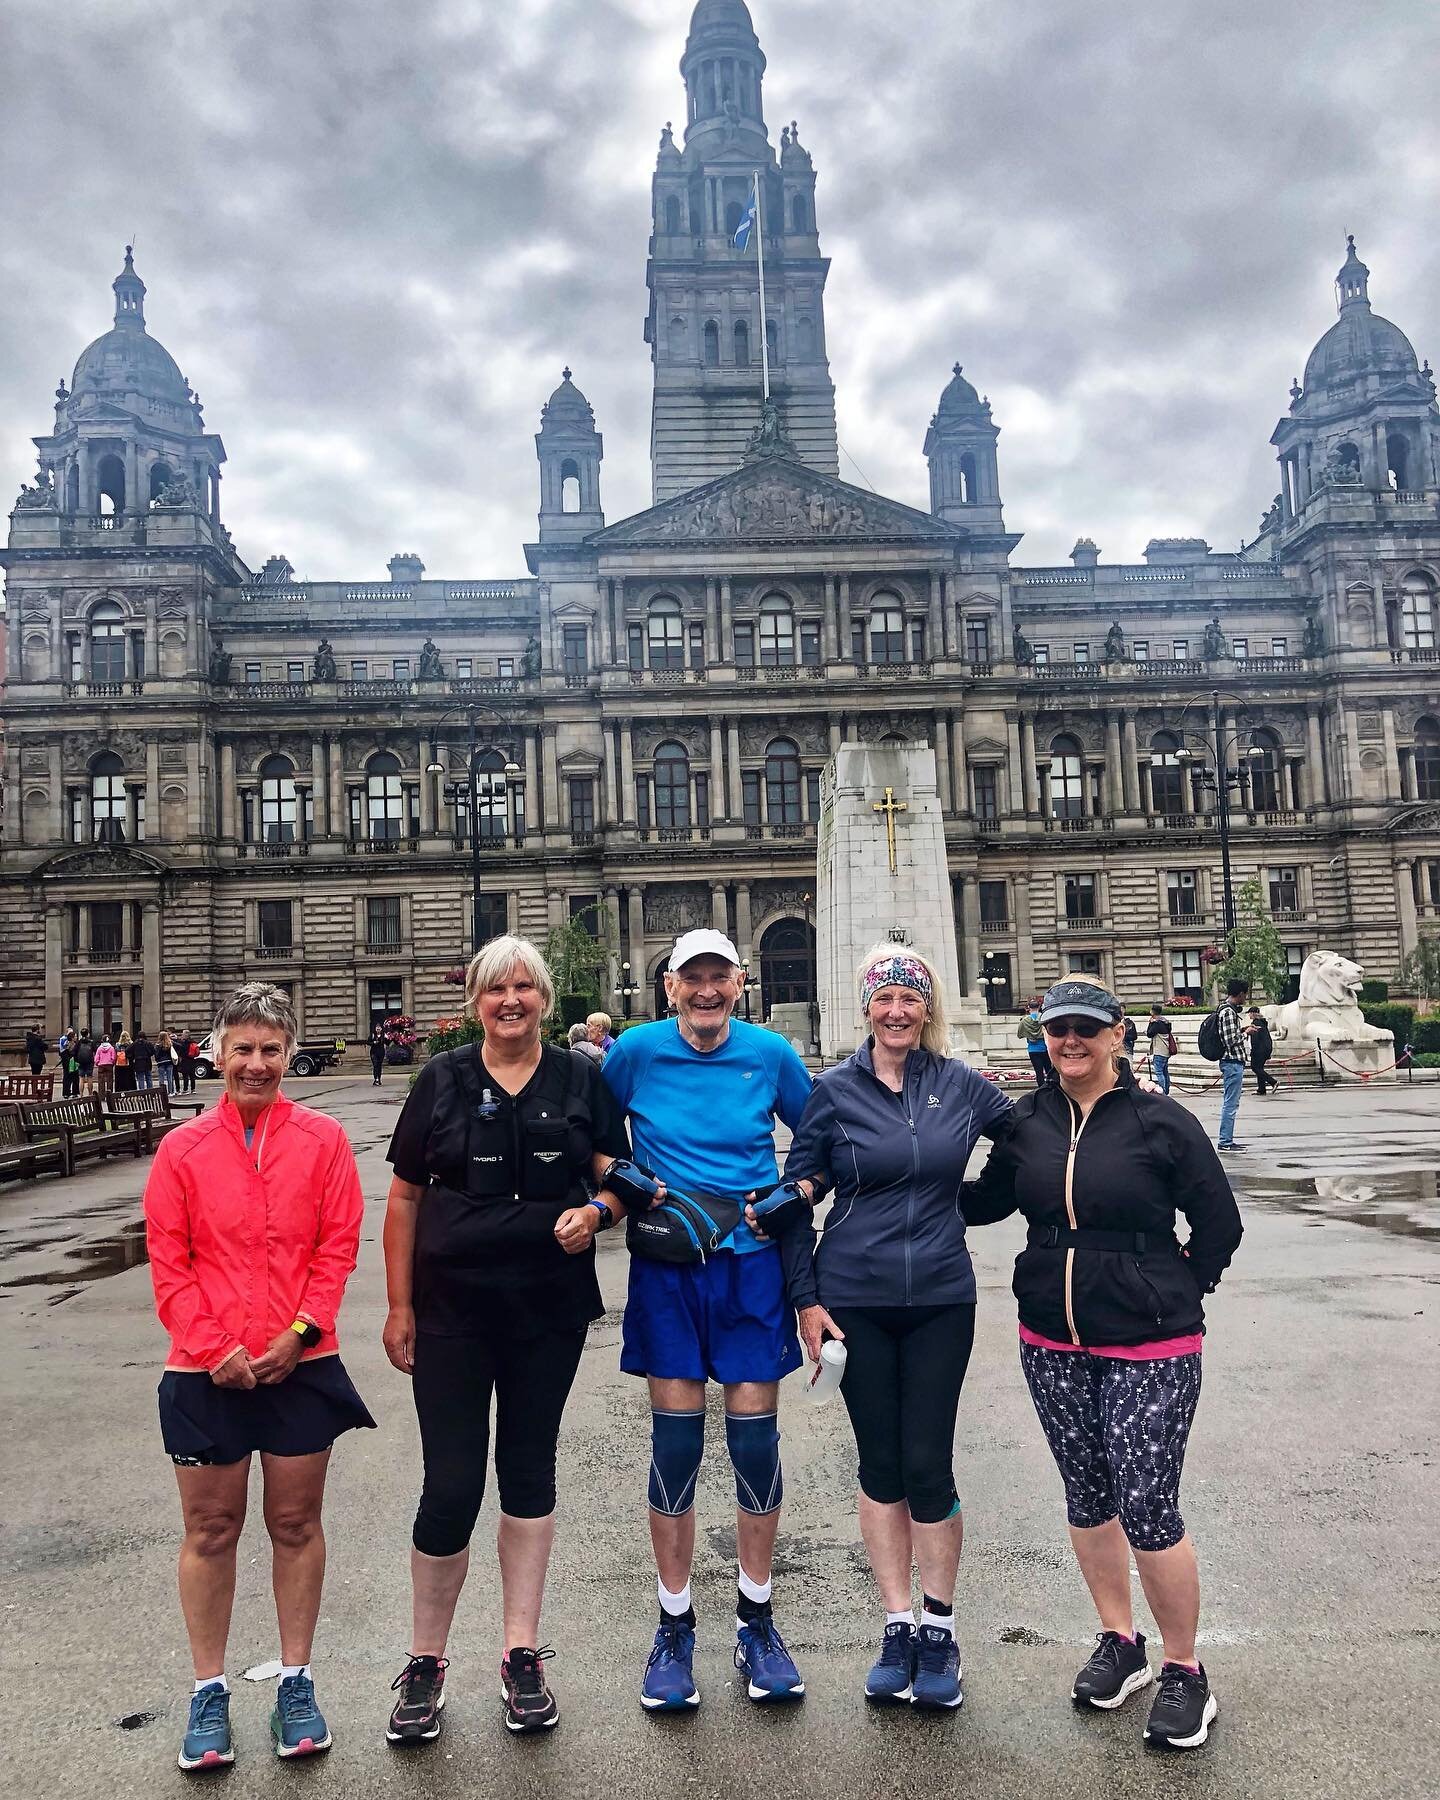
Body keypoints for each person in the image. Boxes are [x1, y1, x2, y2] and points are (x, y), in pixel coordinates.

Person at [963, 976, 1243, 1751]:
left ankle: (1185, 1670)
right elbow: (988, 1202)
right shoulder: (1026, 1121)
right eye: (1059, 1029)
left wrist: (1180, 1282)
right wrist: (905, 1181)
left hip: (1150, 1338)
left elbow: (1218, 1221)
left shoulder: (1163, 1122)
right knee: (1088, 1494)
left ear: (1118, 1032)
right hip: (1051, 1335)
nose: (1071, 1041)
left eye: (1087, 1027)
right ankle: (1121, 1642)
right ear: (1043, 1036)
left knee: (1148, 1501)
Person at [381, 935, 631, 1742]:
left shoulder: (580, 1078)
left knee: (528, 1472)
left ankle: (522, 1653)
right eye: (497, 989)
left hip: (545, 1309)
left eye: (525, 988)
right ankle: (426, 1662)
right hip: (451, 1308)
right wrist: (398, 1306)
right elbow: (404, 1201)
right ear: (475, 1002)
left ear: (545, 1000)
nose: (511, 1001)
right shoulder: (442, 1079)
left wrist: (596, 1214)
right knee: (450, 1484)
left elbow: (621, 1175)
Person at [143, 983, 371, 1773]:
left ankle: (296, 1683)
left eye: (270, 1049)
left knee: (295, 1525)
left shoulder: (324, 1140)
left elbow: (337, 1248)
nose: (256, 1063)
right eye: (241, 1048)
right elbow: (170, 1263)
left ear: (288, 1056)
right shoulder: (182, 1151)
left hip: (301, 1364)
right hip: (204, 1368)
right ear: (216, 1053)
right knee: (210, 1531)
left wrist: (297, 1335)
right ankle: (209, 1691)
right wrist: (214, 1348)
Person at [779, 947, 1014, 1709]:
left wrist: (978, 1205)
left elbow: (1031, 1142)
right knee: (880, 1465)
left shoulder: (962, 1085)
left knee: (928, 1465)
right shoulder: (833, 1092)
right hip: (855, 1299)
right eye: (885, 999)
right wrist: (806, 1302)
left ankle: (940, 1629)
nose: (897, 1011)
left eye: (911, 999)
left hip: (942, 1298)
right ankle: (896, 1622)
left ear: (927, 1007)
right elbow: (794, 1200)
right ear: (867, 1007)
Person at [601, 928, 814, 1712]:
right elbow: (595, 1138)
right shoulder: (634, 1052)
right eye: (692, 977)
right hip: (668, 1267)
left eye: (719, 976)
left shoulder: (769, 1054)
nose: (706, 990)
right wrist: (624, 1184)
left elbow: (820, 1136)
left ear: (740, 981)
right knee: (678, 1441)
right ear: (669, 985)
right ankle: (675, 1624)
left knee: (755, 1438)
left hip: (751, 1266)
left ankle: (757, 1620)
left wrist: (797, 1193)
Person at [1215, 980, 1250, 1152]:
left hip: (1231, 1062)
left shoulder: (1225, 1010)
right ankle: (1225, 1141)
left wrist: (1242, 1030)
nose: (1246, 997)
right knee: (1230, 1103)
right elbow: (1230, 1040)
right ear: (1240, 994)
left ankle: (1226, 1140)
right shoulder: (1228, 1012)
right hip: (1232, 1062)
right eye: (1245, 993)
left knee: (1231, 1102)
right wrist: (1245, 1034)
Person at [1016, 1006, 1052, 1088]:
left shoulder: (1024, 1021)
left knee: (1038, 1072)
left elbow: (1020, 1034)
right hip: (1045, 1048)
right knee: (1049, 1070)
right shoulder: (1043, 1018)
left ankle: (1042, 1089)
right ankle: (1052, 1088)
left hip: (1033, 1050)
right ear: (1039, 1007)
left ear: (1029, 1008)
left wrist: (1029, 1036)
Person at [1146, 1004, 1176, 1095]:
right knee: (1165, 1072)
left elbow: (1149, 1034)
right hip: (1166, 1050)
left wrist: (1150, 1023)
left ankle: (1162, 1091)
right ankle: (1166, 1091)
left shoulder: (1156, 1023)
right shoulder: (1165, 1022)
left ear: (1153, 1011)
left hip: (1159, 1050)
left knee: (1159, 1072)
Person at [1247, 1007, 1277, 1094]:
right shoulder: (1262, 1023)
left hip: (1259, 1050)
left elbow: (1255, 1039)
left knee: (1255, 1067)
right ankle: (1261, 1089)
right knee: (1259, 1068)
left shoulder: (1255, 1024)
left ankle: (1273, 1082)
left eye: (1249, 1013)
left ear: (1253, 1013)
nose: (1249, 1015)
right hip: (1265, 1048)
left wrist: (1253, 1051)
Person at [94, 1029, 118, 1097]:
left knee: (101, 1081)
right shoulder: (111, 1048)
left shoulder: (99, 1048)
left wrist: (97, 1063)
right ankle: (109, 1095)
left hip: (101, 1065)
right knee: (109, 1080)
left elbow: (96, 1058)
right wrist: (112, 1063)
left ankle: (101, 1095)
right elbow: (113, 1057)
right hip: (109, 1065)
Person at [75, 1029, 96, 1097]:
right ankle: (90, 1094)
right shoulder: (91, 1042)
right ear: (88, 1034)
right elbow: (95, 1050)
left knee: (81, 1078)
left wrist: (76, 1060)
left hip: (80, 1062)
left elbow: (74, 1052)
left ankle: (81, 1094)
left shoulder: (79, 1042)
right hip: (89, 1061)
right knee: (89, 1077)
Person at [115, 1028, 137, 1093]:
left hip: (119, 1064)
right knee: (130, 1078)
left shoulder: (117, 1045)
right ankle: (130, 1091)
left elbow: (116, 1053)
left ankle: (120, 1091)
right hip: (129, 1063)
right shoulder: (132, 1044)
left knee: (120, 1079)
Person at [156, 1030, 178, 1094]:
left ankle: (162, 1092)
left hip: (161, 1062)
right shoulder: (170, 1044)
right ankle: (171, 1091)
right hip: (169, 1062)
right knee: (170, 1078)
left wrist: (157, 1059)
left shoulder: (158, 1045)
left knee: (161, 1078)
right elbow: (179, 1046)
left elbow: (156, 1054)